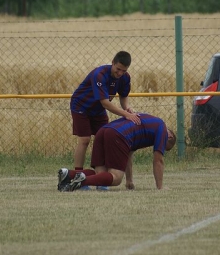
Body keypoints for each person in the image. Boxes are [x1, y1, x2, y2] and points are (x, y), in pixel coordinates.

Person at [70, 51, 141, 190]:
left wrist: (127, 108)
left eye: (123, 70)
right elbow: (105, 103)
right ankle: (78, 177)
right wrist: (126, 115)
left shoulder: (125, 78)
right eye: (118, 69)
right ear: (112, 63)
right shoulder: (100, 74)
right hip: (81, 106)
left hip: (98, 110)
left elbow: (124, 96)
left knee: (104, 139)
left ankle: (100, 179)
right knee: (84, 140)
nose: (120, 73)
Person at [57, 113, 176, 192]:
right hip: (118, 135)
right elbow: (158, 160)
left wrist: (129, 181)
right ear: (169, 136)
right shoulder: (162, 127)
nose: (159, 145)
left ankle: (69, 174)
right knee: (116, 178)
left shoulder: (147, 126)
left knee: (101, 176)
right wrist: (160, 187)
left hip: (103, 131)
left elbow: (128, 154)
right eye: (164, 145)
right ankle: (82, 181)